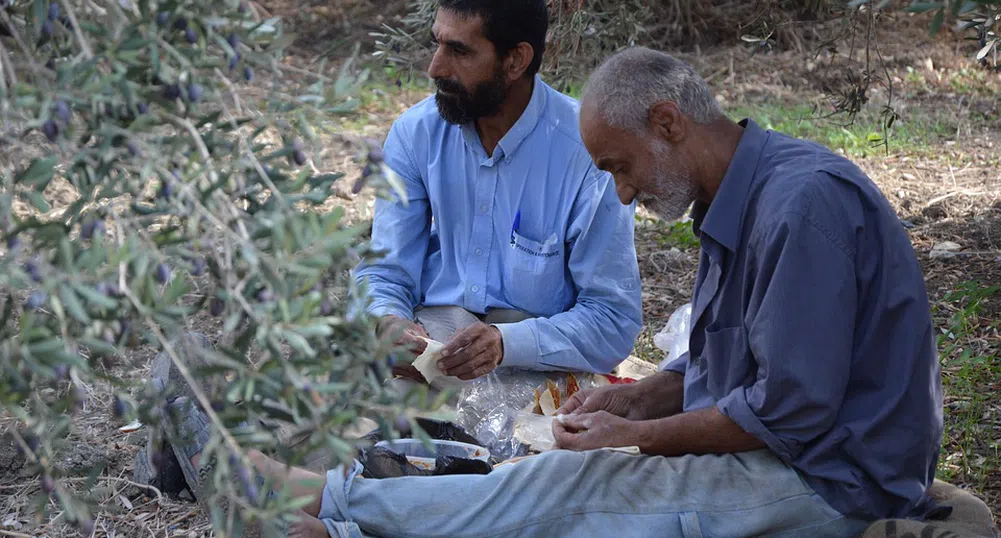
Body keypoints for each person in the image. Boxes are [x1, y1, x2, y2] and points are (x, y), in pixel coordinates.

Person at [157, 47, 947, 538]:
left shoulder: (797, 204)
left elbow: (789, 411)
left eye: (619, 168)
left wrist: (632, 438)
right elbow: (718, 369)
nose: (625, 196)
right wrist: (637, 404)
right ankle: (334, 508)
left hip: (830, 483)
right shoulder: (740, 197)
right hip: (792, 453)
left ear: (667, 122)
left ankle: (328, 509)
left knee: (579, 485)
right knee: (548, 472)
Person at [351, 0, 643, 382]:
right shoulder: (417, 133)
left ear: (516, 60)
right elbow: (385, 271)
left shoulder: (588, 152)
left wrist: (505, 344)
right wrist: (387, 322)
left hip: (540, 355)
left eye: (459, 50)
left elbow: (612, 319)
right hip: (431, 343)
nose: (435, 68)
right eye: (437, 44)